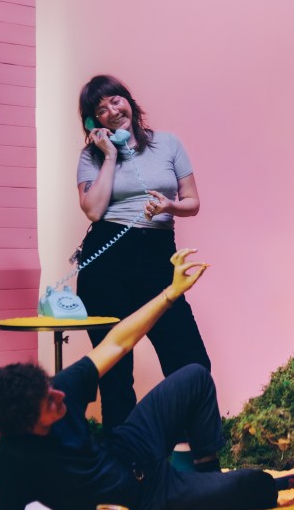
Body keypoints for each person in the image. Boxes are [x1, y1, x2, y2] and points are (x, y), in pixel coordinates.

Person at [0, 250, 294, 510]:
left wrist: (170, 293)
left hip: (130, 448)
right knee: (256, 485)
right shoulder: (15, 458)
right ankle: (223, 489)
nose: (59, 396)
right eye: (49, 403)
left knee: (194, 375)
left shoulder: (58, 389)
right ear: (27, 425)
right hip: (142, 499)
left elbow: (117, 342)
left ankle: (208, 476)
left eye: (50, 388)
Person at [75, 75, 210, 431]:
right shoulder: (91, 156)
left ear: (128, 101)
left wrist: (169, 206)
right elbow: (93, 210)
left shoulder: (168, 145)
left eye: (115, 101)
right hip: (107, 261)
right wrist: (109, 155)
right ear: (93, 122)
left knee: (190, 362)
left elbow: (193, 202)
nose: (112, 111)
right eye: (100, 110)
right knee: (115, 374)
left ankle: (194, 451)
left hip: (156, 256)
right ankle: (123, 457)